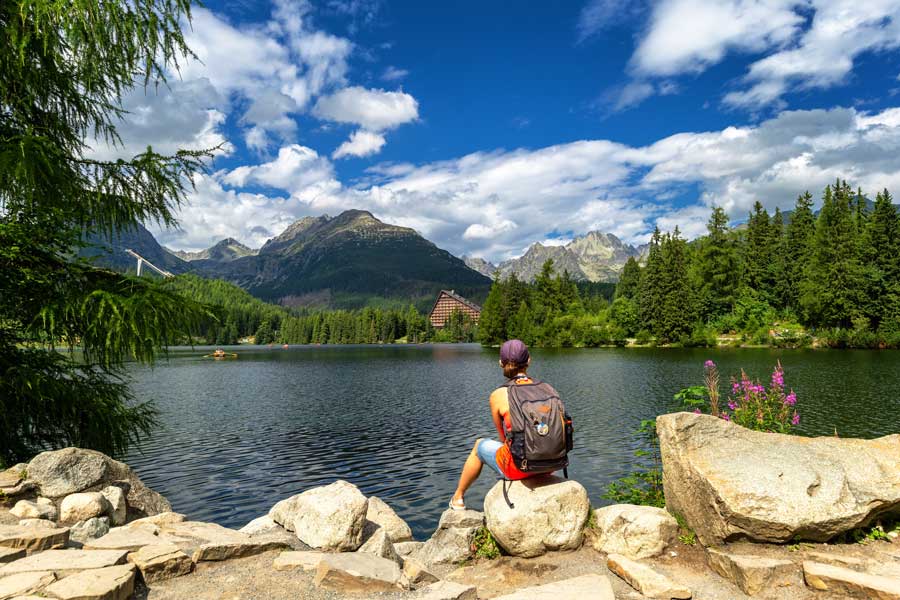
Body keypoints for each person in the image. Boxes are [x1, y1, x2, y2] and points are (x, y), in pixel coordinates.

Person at [449, 339, 543, 510]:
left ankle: (458, 497)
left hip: (520, 467)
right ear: (529, 361)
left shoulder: (498, 395)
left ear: (501, 363)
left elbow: (503, 437)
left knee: (479, 446)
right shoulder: (545, 388)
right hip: (551, 464)